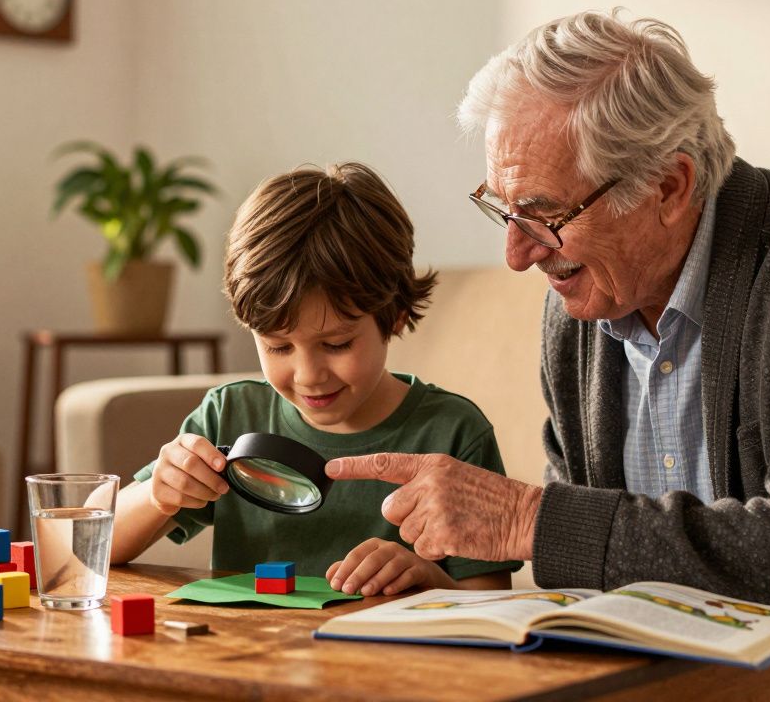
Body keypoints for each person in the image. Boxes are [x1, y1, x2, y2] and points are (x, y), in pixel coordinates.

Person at [325, 11, 770, 701]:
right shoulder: (579, 314)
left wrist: (527, 519)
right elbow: (591, 573)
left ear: (670, 187)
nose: (517, 253)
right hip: (686, 675)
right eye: (503, 210)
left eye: (543, 213)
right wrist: (457, 606)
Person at [109, 162, 522, 596]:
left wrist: (428, 580)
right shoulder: (230, 415)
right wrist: (158, 495)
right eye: (278, 347)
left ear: (395, 316)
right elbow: (98, 549)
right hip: (247, 657)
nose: (308, 376)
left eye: (338, 344)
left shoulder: (453, 433)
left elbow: (491, 600)